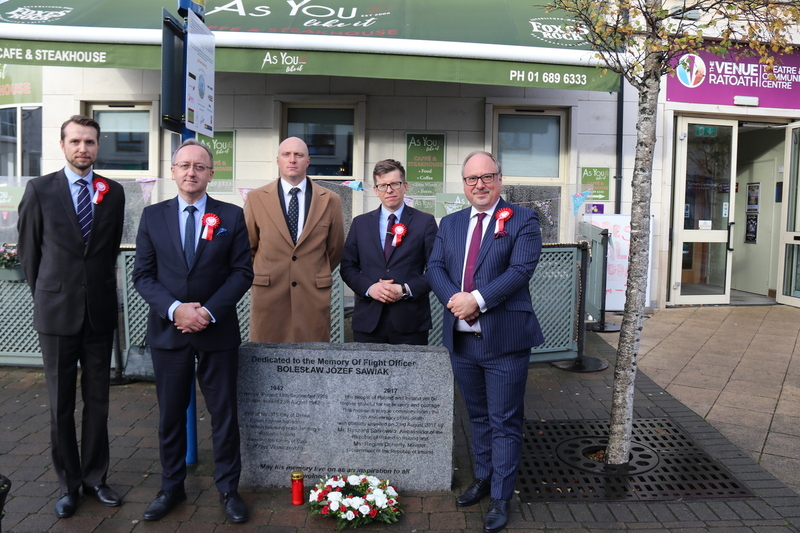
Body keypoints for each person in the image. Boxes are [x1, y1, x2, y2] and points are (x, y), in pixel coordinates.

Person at [132, 139, 253, 523]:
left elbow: (241, 273)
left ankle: (228, 489)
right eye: (184, 165)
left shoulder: (231, 217)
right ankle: (171, 487)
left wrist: (207, 312)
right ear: (172, 171)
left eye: (200, 166)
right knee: (170, 414)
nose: (191, 172)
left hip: (216, 333)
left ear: (211, 173)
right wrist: (176, 310)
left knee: (224, 414)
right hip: (169, 333)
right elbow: (143, 276)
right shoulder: (153, 217)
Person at [426, 151, 544, 533]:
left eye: (487, 176)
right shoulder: (452, 222)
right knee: (476, 416)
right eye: (471, 178)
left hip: (504, 340)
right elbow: (435, 267)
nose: (479, 184)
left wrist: (475, 299)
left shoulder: (523, 219)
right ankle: (483, 478)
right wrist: (454, 301)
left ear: (499, 178)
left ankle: (501, 496)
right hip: (463, 341)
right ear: (463, 184)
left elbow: (520, 270)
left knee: (504, 421)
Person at [17, 115, 125, 518]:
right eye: (76, 141)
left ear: (99, 146)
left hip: (98, 313)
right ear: (63, 145)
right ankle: (68, 483)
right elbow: (30, 254)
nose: (83, 149)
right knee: (60, 403)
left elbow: (108, 249)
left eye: (90, 142)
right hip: (57, 314)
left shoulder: (112, 192)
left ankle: (96, 477)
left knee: (98, 401)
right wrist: (51, 294)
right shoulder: (40, 189)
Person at [244, 136, 344, 343]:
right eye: (286, 154)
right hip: (269, 295)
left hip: (312, 297)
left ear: (308, 161)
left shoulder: (330, 200)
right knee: (266, 362)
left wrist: (311, 269)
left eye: (298, 155)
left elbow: (335, 249)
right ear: (277, 160)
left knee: (311, 362)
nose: (292, 159)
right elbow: (248, 247)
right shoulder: (256, 198)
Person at [340, 159, 437, 344]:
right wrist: (370, 289)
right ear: (376, 190)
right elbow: (347, 267)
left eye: (394, 184)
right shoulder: (360, 224)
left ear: (405, 186)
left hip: (410, 322)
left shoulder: (425, 222)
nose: (389, 190)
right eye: (383, 185)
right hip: (368, 322)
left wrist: (405, 290)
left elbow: (436, 269)